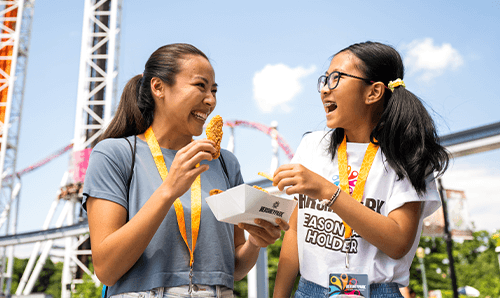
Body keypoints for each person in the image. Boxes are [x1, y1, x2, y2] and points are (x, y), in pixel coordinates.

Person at [82, 43, 289, 298]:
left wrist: (255, 242)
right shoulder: (115, 154)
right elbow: (106, 269)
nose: (210, 100)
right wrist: (169, 189)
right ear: (158, 87)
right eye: (200, 86)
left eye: (214, 90)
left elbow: (232, 269)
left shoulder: (225, 162)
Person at [272, 41, 449, 298]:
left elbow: (399, 242)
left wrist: (327, 191)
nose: (324, 89)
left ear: (373, 92)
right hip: (308, 290)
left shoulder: (406, 154)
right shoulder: (312, 146)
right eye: (324, 79)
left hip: (377, 292)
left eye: (336, 78)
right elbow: (296, 230)